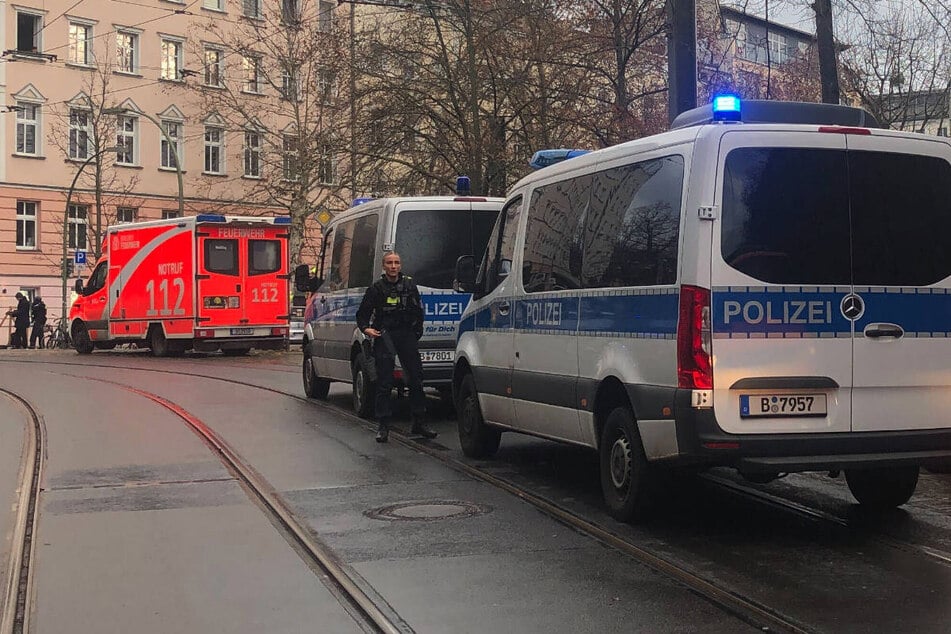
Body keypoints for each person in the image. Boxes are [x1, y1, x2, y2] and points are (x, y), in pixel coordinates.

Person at [356, 251, 437, 443]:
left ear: (400, 265)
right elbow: (362, 315)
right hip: (385, 336)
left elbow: (419, 311)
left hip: (407, 335)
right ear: (384, 266)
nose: (393, 266)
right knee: (384, 382)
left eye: (396, 263)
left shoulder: (409, 286)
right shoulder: (376, 289)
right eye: (389, 263)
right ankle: (383, 425)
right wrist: (367, 330)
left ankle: (419, 422)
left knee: (416, 379)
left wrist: (416, 332)